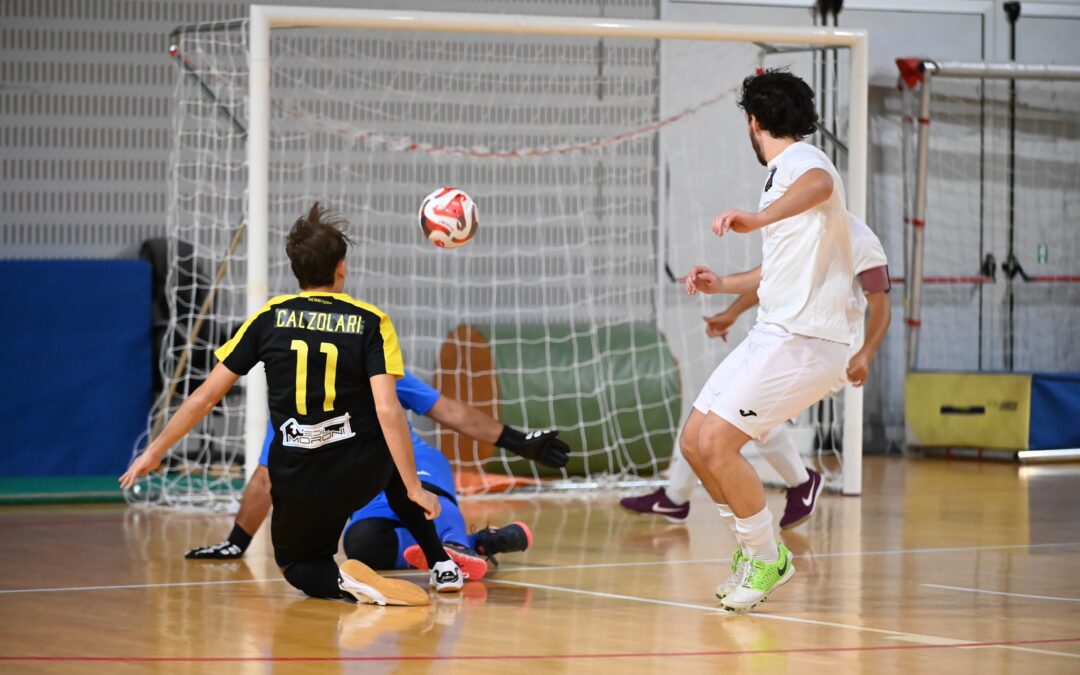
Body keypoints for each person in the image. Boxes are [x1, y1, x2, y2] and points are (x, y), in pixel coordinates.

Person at [121, 202, 460, 606]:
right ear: (341, 268)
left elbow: (205, 396)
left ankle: (344, 583)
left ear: (296, 269)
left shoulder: (268, 317)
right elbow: (389, 411)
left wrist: (155, 451)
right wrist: (414, 488)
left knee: (298, 565)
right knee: (383, 442)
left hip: (298, 475)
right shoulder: (371, 321)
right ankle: (441, 562)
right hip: (358, 469)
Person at [676, 69, 855, 612]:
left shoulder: (804, 162)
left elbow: (821, 184)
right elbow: (775, 273)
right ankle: (752, 550)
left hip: (808, 340)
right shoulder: (781, 177)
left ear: (754, 123)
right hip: (773, 332)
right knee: (694, 441)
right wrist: (722, 285)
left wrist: (756, 218)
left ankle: (766, 556)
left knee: (717, 443)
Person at [621, 212, 891, 536]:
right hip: (788, 346)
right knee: (713, 413)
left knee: (743, 420)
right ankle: (678, 498)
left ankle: (790, 499)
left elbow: (882, 305)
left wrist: (867, 353)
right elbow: (771, 281)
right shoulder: (798, 228)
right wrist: (731, 312)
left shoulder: (859, 240)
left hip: (829, 353)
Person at [187, 370, 569, 582]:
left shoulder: (378, 371)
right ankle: (476, 544)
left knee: (428, 505)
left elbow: (448, 411)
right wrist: (236, 543)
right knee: (362, 545)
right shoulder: (293, 404)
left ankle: (456, 546)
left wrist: (518, 441)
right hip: (365, 479)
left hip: (412, 461)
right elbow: (265, 478)